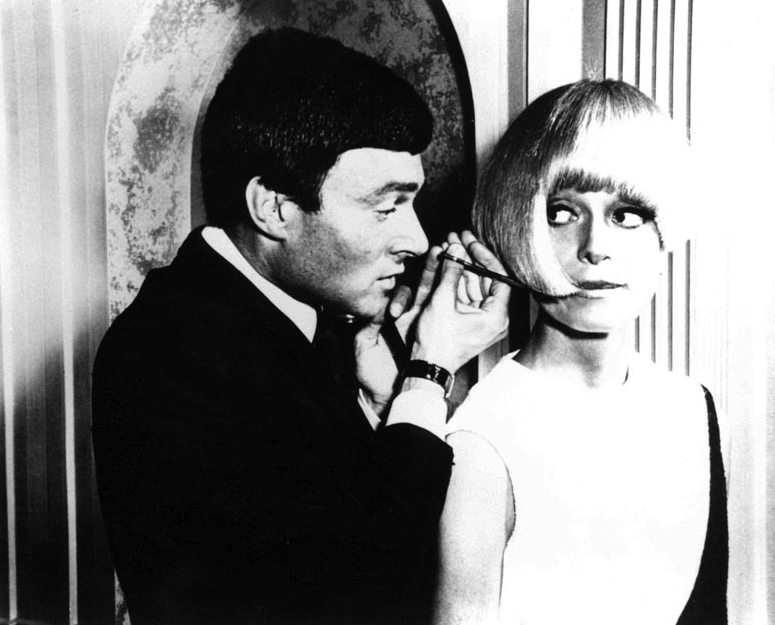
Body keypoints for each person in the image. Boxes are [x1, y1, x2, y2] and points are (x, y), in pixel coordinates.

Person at [92, 28, 510, 625]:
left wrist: (384, 400)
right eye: (386, 206)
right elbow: (353, 592)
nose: (417, 240)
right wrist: (428, 373)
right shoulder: (169, 351)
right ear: (275, 208)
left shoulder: (297, 315)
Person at [433, 79, 729, 625]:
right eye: (562, 213)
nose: (595, 247)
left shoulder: (692, 406)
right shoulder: (480, 440)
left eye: (627, 215)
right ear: (519, 227)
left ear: (663, 234)